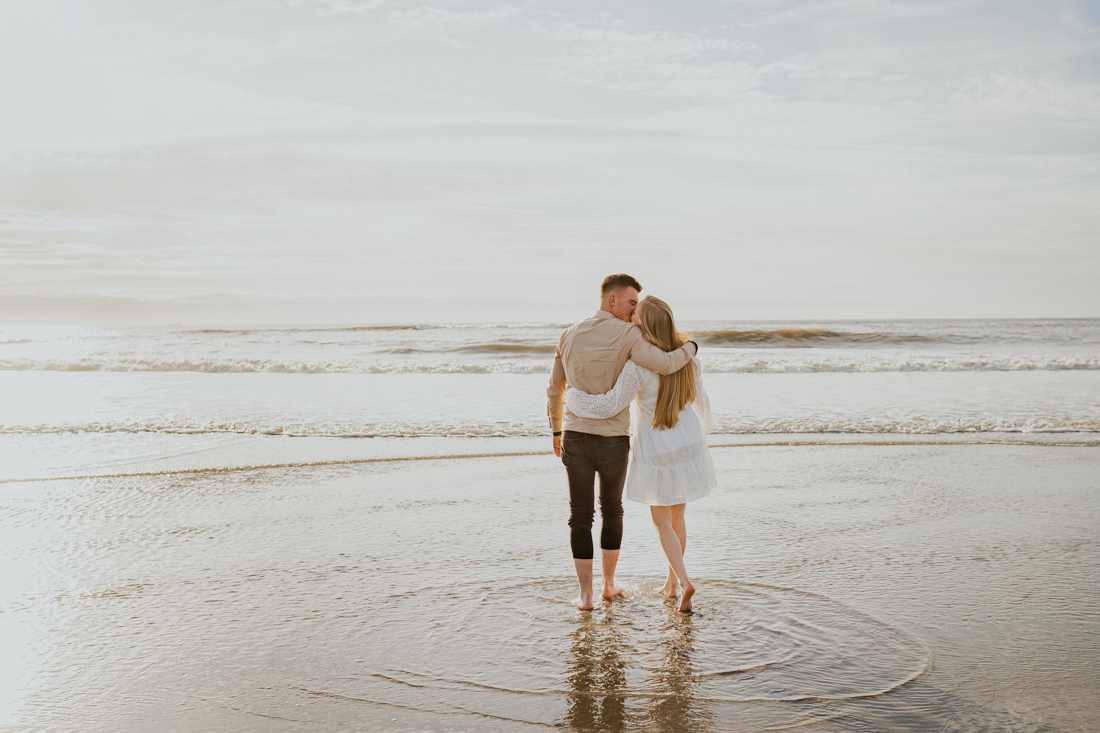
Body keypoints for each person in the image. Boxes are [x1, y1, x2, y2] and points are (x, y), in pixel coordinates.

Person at [547, 275, 699, 611]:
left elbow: (555, 388)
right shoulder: (631, 335)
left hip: (574, 434)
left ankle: (586, 595)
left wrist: (557, 429)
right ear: (612, 300)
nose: (634, 310)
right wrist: (692, 347)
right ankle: (610, 585)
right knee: (612, 510)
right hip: (616, 439)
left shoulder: (568, 334)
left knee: (579, 515)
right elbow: (666, 365)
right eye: (631, 303)